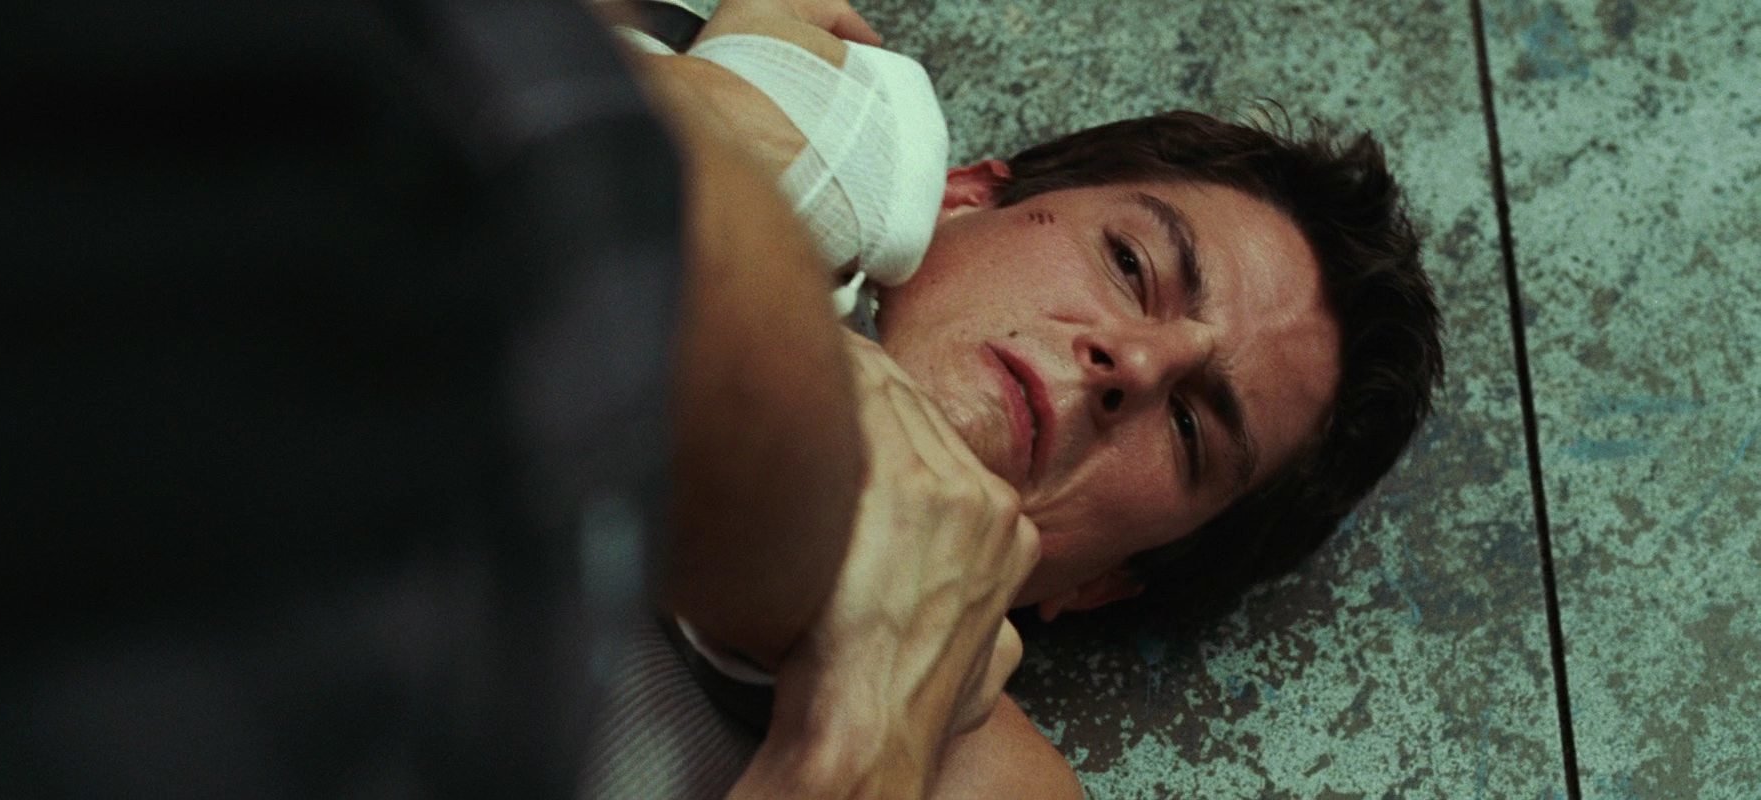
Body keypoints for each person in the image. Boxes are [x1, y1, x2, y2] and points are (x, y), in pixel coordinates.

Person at [604, 0, 1445, 796]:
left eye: (1190, 428)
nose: (1136, 363)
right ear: (962, 198)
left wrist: (871, 729)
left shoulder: (981, 783)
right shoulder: (688, 93)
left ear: (1104, 581)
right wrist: (690, 105)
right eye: (1130, 264)